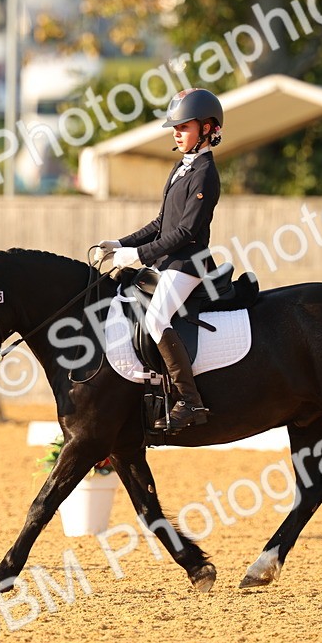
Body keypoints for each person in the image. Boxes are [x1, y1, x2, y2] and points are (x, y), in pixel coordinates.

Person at [97, 88, 224, 432]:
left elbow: (184, 232)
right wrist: (119, 243)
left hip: (188, 265)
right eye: (175, 127)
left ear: (208, 128)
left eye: (184, 127)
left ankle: (189, 400)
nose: (176, 133)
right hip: (167, 264)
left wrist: (136, 255)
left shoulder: (205, 174)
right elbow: (160, 223)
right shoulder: (181, 168)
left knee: (156, 320)